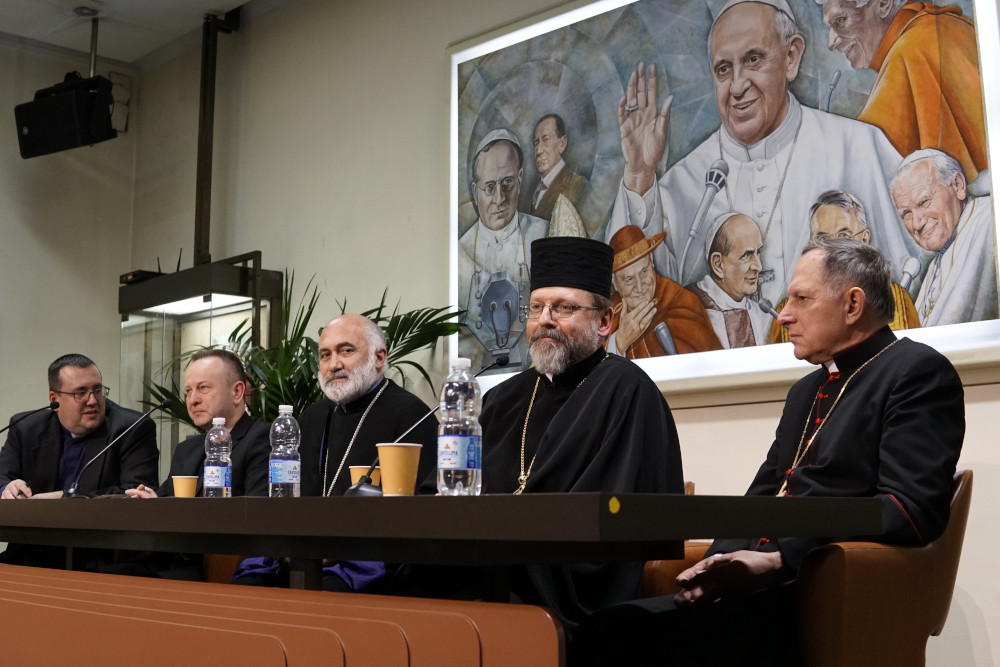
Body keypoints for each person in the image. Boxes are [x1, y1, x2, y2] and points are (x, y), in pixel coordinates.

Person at [573, 239, 965, 665]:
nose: (784, 314)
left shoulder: (916, 372)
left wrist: (780, 560)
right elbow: (760, 499)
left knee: (617, 639)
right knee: (602, 627)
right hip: (758, 593)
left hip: (816, 598)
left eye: (801, 298)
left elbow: (909, 511)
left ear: (853, 305)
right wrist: (714, 564)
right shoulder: (805, 391)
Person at [604, 0, 917, 305]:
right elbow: (642, 295)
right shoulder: (689, 179)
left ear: (791, 57)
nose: (737, 86)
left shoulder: (857, 147)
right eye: (724, 69)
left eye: (753, 60)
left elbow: (910, 276)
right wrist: (640, 174)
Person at [480, 236, 684, 634]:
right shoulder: (503, 398)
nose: (545, 319)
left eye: (565, 308)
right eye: (536, 307)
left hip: (577, 587)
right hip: (497, 565)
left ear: (605, 322)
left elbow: (616, 522)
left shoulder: (626, 390)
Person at [234, 314, 437, 592]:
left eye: (346, 351)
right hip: (304, 549)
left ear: (379, 358)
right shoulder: (314, 416)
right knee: (248, 584)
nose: (334, 365)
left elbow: (422, 512)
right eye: (325, 355)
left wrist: (334, 548)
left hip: (365, 560)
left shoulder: (412, 416)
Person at [111, 349, 270, 580]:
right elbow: (164, 501)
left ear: (237, 391)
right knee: (103, 576)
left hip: (220, 562)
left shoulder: (261, 438)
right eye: (188, 391)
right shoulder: (188, 449)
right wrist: (148, 502)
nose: (192, 399)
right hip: (170, 557)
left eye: (203, 388)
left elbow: (257, 511)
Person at [0, 353, 159, 567]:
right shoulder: (26, 427)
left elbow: (135, 494)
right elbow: (2, 476)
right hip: (32, 549)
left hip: (101, 556)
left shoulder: (132, 427)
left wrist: (66, 497)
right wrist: (6, 488)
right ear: (54, 400)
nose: (93, 400)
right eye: (80, 393)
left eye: (98, 390)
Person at [819, 0, 987, 180]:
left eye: (840, 21)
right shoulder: (950, 26)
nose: (831, 43)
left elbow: (864, 164)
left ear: (883, 4)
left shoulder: (908, 51)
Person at [770, 188, 920, 341]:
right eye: (823, 238)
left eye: (844, 235)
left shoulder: (898, 301)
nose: (834, 248)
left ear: (864, 239)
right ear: (811, 246)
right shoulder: (786, 314)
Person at [458, 129, 550, 372]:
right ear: (474, 189)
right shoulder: (459, 255)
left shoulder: (544, 235)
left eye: (507, 183)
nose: (499, 198)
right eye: (489, 187)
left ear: (520, 179)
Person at [891, 148, 998, 326]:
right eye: (906, 214)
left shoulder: (990, 221)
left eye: (924, 202)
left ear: (958, 185)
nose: (917, 224)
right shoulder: (936, 263)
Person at [607, 225, 721, 357]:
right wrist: (619, 342)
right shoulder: (608, 312)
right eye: (629, 279)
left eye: (644, 272)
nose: (640, 287)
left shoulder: (683, 302)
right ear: (615, 283)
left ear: (652, 262)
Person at [686, 212, 775, 348]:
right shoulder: (687, 309)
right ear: (718, 264)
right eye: (747, 255)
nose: (758, 266)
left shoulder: (763, 315)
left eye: (758, 252)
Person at [527, 114, 588, 223]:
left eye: (546, 140)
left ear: (562, 143)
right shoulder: (535, 189)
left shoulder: (578, 186)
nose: (539, 150)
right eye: (536, 143)